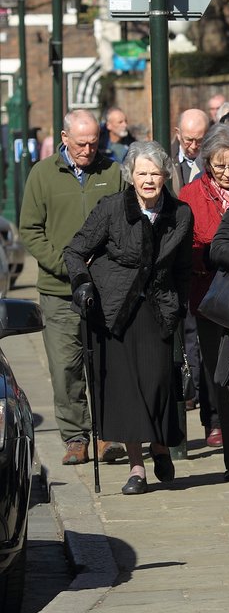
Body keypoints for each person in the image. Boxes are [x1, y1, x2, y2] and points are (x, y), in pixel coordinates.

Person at [63, 141, 193, 495]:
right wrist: (82, 285)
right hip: (113, 309)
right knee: (127, 390)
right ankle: (137, 468)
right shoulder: (111, 209)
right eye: (142, 173)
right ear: (130, 176)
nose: (148, 180)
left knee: (157, 384)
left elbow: (183, 268)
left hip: (157, 306)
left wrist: (179, 304)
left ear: (166, 175)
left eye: (154, 173)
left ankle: (161, 445)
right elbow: (74, 251)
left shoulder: (180, 214)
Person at [19, 109, 126, 465]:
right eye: (81, 143)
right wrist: (67, 266)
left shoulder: (111, 172)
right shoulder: (42, 175)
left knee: (106, 364)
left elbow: (127, 222)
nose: (88, 149)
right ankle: (75, 436)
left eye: (94, 142)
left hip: (105, 289)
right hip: (60, 291)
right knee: (66, 367)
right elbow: (31, 229)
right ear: (64, 138)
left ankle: (107, 434)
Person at [179, 124, 229, 480]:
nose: (228, 173)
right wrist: (211, 259)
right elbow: (186, 249)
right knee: (223, 378)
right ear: (206, 162)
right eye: (219, 165)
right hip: (212, 301)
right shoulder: (191, 196)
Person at [171, 108, 209, 195]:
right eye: (189, 140)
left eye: (200, 140)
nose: (193, 146)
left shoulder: (214, 160)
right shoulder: (166, 158)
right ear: (178, 133)